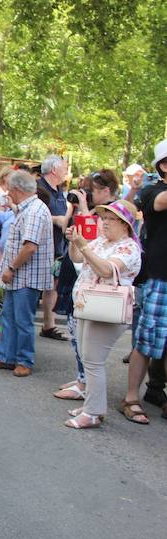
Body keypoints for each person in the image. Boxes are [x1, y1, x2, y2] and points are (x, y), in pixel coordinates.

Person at [61, 200, 141, 428]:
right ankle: (92, 405)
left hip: (106, 310)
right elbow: (77, 258)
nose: (104, 222)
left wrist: (83, 245)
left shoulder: (128, 248)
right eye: (103, 218)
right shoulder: (103, 242)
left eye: (110, 219)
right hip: (89, 305)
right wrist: (74, 242)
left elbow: (106, 269)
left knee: (93, 361)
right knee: (89, 359)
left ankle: (93, 412)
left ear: (125, 224)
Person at [0, 170, 54, 377]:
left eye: (9, 190)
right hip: (20, 275)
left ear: (18, 190)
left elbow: (29, 247)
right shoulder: (29, 208)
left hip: (25, 275)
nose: (8, 194)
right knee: (10, 317)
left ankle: (23, 360)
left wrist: (11, 268)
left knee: (22, 320)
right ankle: (6, 357)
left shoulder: (33, 212)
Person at [122, 139, 167, 423]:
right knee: (145, 341)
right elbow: (161, 203)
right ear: (163, 165)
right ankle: (130, 398)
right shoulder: (154, 190)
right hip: (160, 278)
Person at [38, 155, 72, 341]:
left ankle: (48, 325)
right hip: (39, 244)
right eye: (64, 167)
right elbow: (29, 211)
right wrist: (56, 220)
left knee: (51, 285)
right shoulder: (39, 188)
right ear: (53, 170)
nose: (67, 171)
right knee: (39, 285)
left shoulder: (58, 190)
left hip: (56, 245)